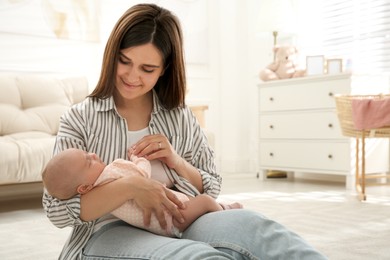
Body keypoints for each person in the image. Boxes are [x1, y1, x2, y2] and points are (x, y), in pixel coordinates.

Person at [42, 3, 328, 259]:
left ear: (164, 69)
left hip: (182, 220)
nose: (131, 76)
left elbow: (212, 186)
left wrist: (176, 161)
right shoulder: (80, 118)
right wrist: (132, 187)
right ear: (112, 55)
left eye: (147, 68)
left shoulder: (179, 117)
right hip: (106, 232)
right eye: (124, 61)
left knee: (259, 230)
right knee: (196, 256)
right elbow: (56, 209)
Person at [42, 148, 242, 238]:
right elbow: (141, 176)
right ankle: (222, 211)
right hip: (171, 215)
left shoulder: (97, 192)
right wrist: (138, 158)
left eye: (87, 153)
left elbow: (212, 181)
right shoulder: (111, 172)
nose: (93, 154)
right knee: (205, 201)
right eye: (88, 161)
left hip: (158, 226)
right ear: (83, 188)